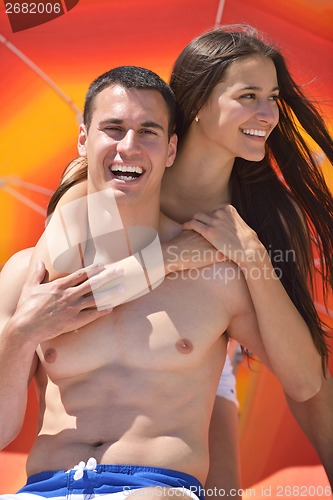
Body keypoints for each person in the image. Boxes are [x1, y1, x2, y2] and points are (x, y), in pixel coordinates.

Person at [1, 24, 332, 493]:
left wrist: (252, 254)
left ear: (169, 141)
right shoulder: (98, 177)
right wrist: (174, 256)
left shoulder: (268, 216)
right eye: (249, 96)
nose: (268, 113)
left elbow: (308, 388)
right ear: (197, 105)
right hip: (135, 330)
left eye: (273, 97)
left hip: (198, 333)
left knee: (220, 485)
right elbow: (74, 287)